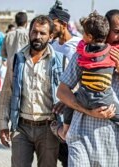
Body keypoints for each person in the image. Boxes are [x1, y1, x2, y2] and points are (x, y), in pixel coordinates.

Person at [57, 9, 119, 166]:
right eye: (116, 32)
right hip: (81, 135)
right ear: (105, 29)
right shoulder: (84, 52)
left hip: (113, 141)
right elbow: (62, 91)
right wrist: (88, 111)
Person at [0, 15, 65, 167]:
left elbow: (69, 94)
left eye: (42, 33)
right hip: (21, 128)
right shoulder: (17, 59)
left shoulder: (60, 61)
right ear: (29, 32)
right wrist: (3, 124)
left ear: (51, 36)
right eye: (34, 32)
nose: (37, 36)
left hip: (49, 128)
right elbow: (6, 94)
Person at [48, 2, 81, 166]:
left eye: (52, 23)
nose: (50, 27)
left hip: (71, 105)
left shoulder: (78, 44)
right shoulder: (52, 45)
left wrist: (68, 99)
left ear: (63, 24)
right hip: (54, 107)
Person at [1, 11, 29, 83]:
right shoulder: (29, 34)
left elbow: (3, 54)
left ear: (16, 22)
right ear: (26, 22)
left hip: (11, 68)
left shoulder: (8, 35)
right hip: (26, 67)